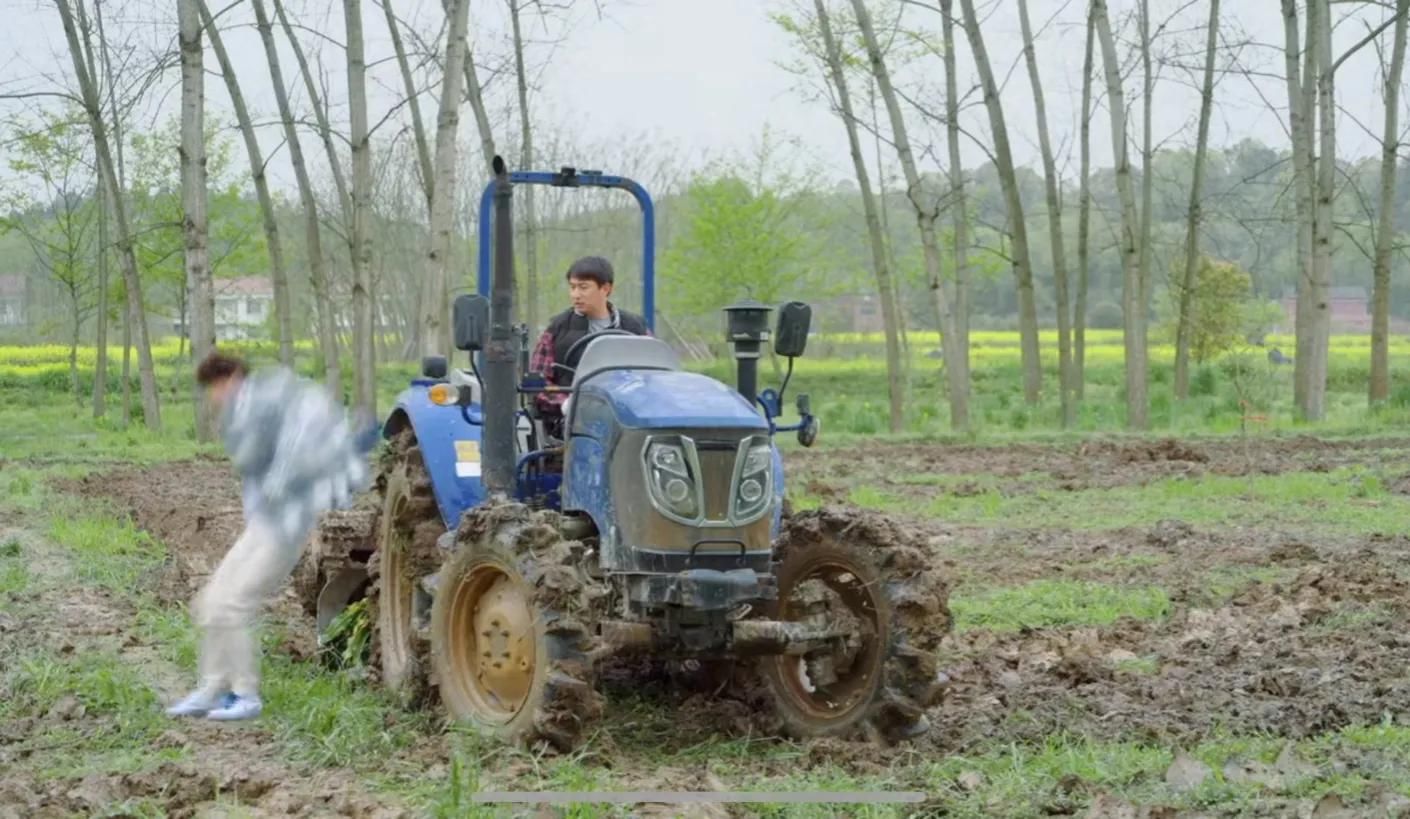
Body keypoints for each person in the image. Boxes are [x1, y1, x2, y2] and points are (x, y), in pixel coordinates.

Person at [164, 351, 376, 721]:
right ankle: (212, 689)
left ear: (228, 379)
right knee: (211, 602)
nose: (212, 398)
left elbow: (304, 437)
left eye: (213, 388)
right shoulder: (240, 416)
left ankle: (245, 695)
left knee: (233, 605)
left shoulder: (269, 400)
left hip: (284, 529)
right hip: (263, 524)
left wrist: (284, 480)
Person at [529, 255, 649, 435]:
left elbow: (656, 375)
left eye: (583, 287)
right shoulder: (557, 330)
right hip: (572, 425)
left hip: (629, 420)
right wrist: (566, 403)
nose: (576, 294)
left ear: (606, 288)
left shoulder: (636, 328)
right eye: (572, 287)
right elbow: (538, 382)